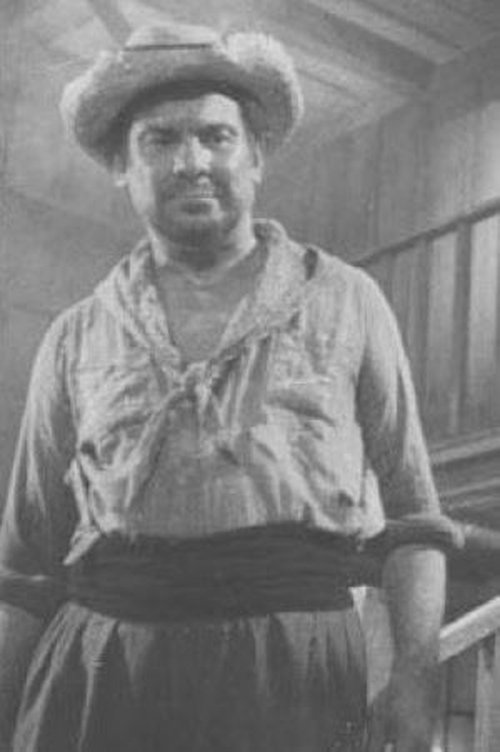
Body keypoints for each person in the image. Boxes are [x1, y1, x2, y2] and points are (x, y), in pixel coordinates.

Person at [0, 21, 445, 752]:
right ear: (121, 166)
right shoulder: (75, 335)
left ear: (257, 155)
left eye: (216, 136)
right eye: (159, 141)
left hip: (291, 676)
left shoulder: (346, 300)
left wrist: (416, 679)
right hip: (106, 675)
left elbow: (415, 521)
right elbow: (23, 572)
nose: (191, 162)